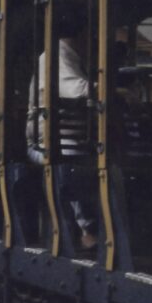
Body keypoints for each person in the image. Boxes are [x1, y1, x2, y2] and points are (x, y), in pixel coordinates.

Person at [27, 16, 97, 250]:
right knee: (75, 159)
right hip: (45, 143)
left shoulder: (71, 57)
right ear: (81, 34)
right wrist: (114, 91)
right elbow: (76, 89)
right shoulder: (56, 56)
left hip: (66, 138)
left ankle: (91, 228)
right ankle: (86, 229)